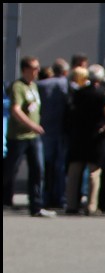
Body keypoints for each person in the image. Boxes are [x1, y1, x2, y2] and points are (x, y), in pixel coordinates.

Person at [64, 65, 105, 215]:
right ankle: (91, 206)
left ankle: (71, 204)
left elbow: (70, 112)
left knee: (74, 171)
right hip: (95, 136)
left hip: (78, 136)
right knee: (94, 172)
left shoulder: (78, 93)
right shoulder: (102, 94)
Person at [6, 56, 50, 215]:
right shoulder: (18, 86)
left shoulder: (34, 86)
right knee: (9, 170)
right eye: (34, 68)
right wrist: (32, 125)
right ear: (25, 70)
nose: (37, 71)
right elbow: (15, 110)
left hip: (34, 137)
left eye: (38, 67)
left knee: (38, 169)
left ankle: (36, 205)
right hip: (18, 137)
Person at [38, 59, 71, 211]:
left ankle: (44, 197)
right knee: (61, 166)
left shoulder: (41, 85)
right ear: (65, 72)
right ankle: (60, 197)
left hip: (45, 128)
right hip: (62, 130)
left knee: (45, 165)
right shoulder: (67, 85)